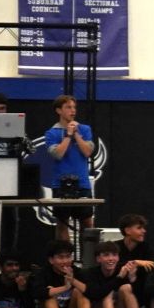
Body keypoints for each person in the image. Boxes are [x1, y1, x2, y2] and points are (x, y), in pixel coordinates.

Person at [43, 95, 94, 241]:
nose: (73, 111)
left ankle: (89, 260)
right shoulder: (51, 133)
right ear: (59, 110)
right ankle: (65, 260)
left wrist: (76, 134)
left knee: (87, 223)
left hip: (82, 183)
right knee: (62, 223)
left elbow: (88, 152)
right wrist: (67, 135)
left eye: (74, 107)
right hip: (61, 184)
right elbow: (58, 154)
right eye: (68, 107)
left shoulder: (85, 129)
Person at [78, 241, 136, 308]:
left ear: (118, 257)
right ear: (98, 259)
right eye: (106, 255)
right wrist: (119, 278)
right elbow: (97, 293)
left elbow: (137, 298)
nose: (111, 258)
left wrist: (132, 278)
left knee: (126, 288)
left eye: (114, 255)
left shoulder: (124, 271)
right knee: (104, 292)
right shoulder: (90, 273)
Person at [37, 240, 87, 308]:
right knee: (49, 291)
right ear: (51, 260)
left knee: (79, 290)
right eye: (61, 257)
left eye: (68, 256)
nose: (65, 261)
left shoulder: (77, 272)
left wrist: (72, 281)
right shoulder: (43, 273)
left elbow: (92, 292)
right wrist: (65, 288)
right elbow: (37, 292)